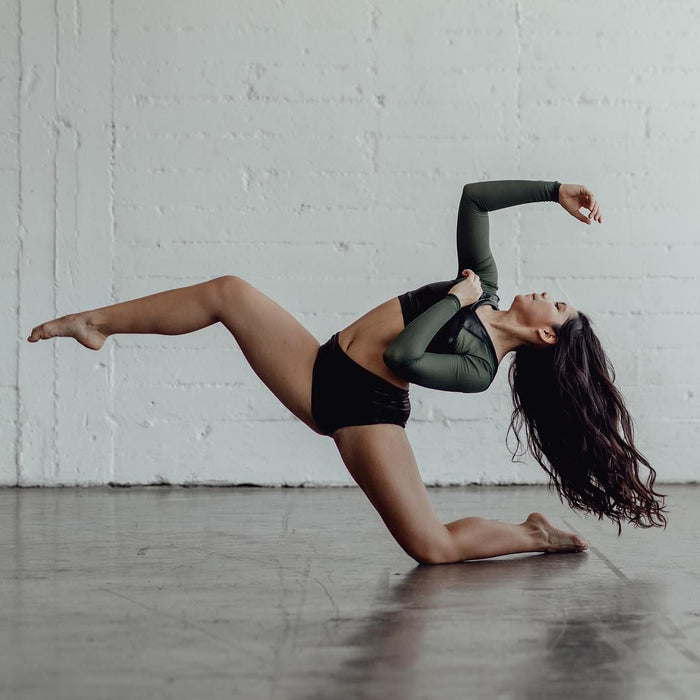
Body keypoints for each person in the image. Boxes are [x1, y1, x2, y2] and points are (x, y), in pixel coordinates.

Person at [27, 179, 668, 564]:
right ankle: (97, 323)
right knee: (229, 290)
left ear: (545, 333)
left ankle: (534, 537)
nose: (548, 291)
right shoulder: (488, 285)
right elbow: (475, 199)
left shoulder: (479, 364)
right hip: (322, 362)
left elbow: (401, 359)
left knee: (433, 548)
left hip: (361, 410)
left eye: (557, 303)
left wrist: (455, 299)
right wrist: (555, 192)